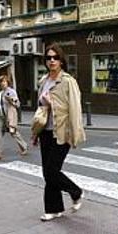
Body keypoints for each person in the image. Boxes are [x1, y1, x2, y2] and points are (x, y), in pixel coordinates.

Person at [32, 44, 86, 222]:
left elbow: (75, 109)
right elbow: (40, 109)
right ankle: (54, 209)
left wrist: (75, 134)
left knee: (52, 170)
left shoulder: (68, 81)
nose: (52, 61)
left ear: (61, 60)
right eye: (48, 58)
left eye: (55, 57)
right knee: (47, 173)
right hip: (45, 133)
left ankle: (76, 191)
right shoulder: (43, 81)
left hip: (62, 132)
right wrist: (36, 133)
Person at [0, 74, 28, 161]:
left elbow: (18, 104)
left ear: (8, 83)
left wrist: (11, 100)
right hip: (0, 116)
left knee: (13, 133)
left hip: (8, 117)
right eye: (1, 82)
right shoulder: (0, 93)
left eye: (4, 81)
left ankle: (24, 146)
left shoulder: (12, 92)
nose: (3, 83)